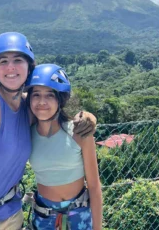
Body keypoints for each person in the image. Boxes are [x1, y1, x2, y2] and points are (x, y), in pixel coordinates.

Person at [0, 32, 96, 230]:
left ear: (29, 67)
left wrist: (89, 117)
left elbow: (51, 106)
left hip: (9, 215)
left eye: (18, 60)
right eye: (3, 61)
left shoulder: (28, 107)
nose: (11, 67)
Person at [24, 64, 102, 230]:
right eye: (36, 95)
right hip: (43, 216)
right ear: (29, 98)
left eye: (50, 95)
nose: (42, 102)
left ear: (60, 100)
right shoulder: (26, 133)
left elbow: (94, 186)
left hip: (79, 215)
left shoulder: (79, 132)